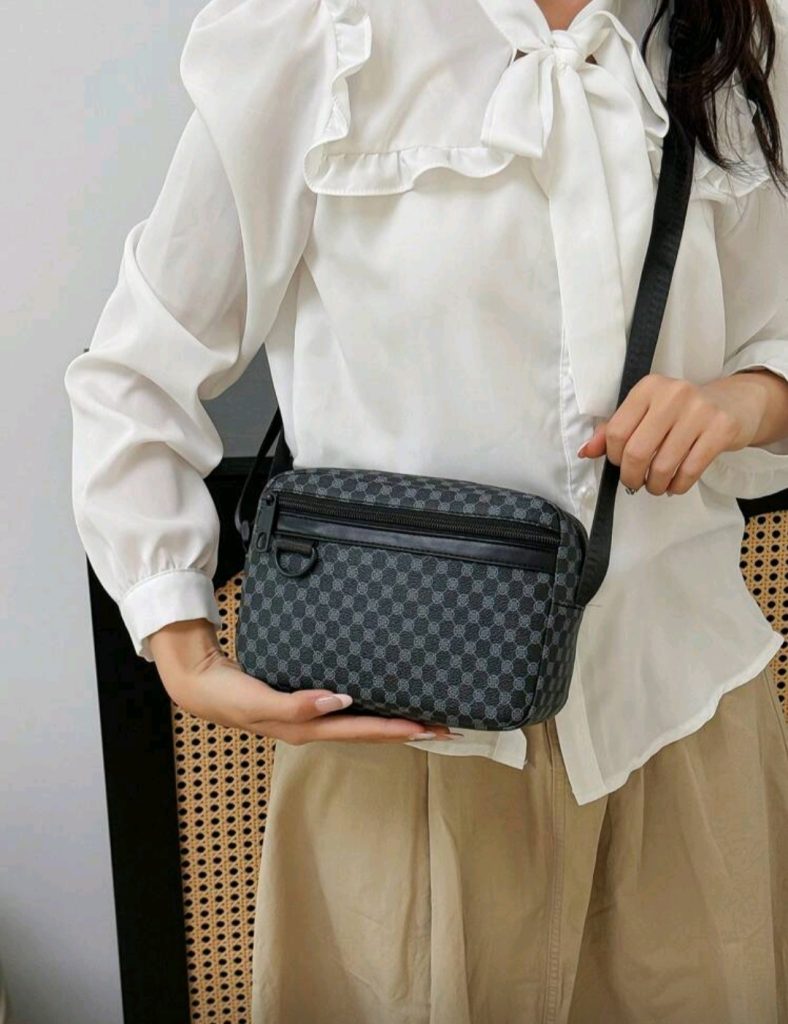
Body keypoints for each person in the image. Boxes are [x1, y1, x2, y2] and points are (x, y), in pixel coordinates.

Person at [64, 0, 788, 1020]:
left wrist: (742, 401)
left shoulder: (736, 31)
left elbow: (774, 330)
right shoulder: (318, 30)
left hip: (683, 726)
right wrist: (182, 650)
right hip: (405, 752)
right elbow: (137, 369)